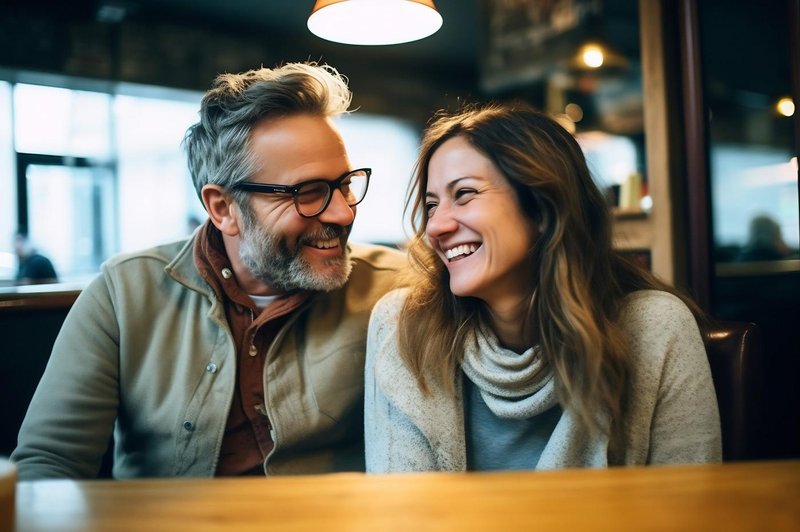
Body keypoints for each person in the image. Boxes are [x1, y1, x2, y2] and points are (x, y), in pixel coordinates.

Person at [12, 62, 407, 479]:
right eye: (308, 193)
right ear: (223, 208)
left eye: (345, 183)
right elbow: (49, 464)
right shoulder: (122, 294)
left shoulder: (396, 288)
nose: (344, 212)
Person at [365, 102, 721, 472]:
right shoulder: (405, 326)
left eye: (465, 194)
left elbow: (688, 508)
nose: (436, 227)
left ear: (542, 206)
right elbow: (403, 510)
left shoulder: (654, 329)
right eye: (431, 204)